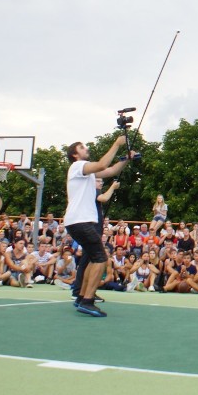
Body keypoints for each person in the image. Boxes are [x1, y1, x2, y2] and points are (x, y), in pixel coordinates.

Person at [64, 136, 135, 317]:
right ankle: (87, 301)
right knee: (101, 258)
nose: (86, 148)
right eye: (82, 147)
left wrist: (126, 159)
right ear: (75, 154)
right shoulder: (78, 166)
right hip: (80, 221)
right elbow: (103, 164)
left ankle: (82, 297)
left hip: (79, 221)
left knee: (93, 258)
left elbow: (110, 170)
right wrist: (117, 144)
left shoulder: (86, 173)